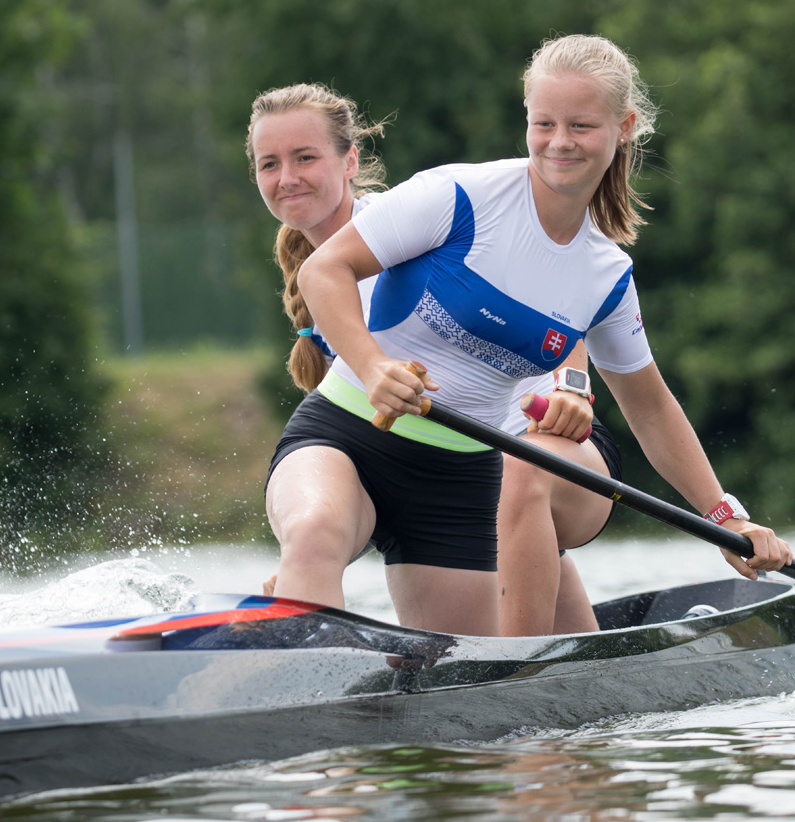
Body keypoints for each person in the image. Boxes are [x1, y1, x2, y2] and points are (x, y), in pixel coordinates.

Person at [278, 35, 791, 636]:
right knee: (313, 530)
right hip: (347, 432)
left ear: (623, 127)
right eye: (544, 123)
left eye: (581, 125)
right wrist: (371, 366)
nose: (559, 142)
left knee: (476, 663)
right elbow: (323, 271)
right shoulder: (458, 196)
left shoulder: (605, 275)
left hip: (462, 479)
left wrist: (726, 516)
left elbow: (650, 408)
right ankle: (287, 653)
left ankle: (521, 671)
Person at [248, 82, 618, 631]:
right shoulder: (322, 280)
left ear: (350, 162)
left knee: (557, 642)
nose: (287, 178)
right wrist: (309, 565)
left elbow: (561, 306)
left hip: (516, 440)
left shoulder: (402, 228)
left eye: (305, 158)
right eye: (269, 164)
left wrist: (571, 389)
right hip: (433, 459)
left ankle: (579, 655)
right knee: (316, 533)